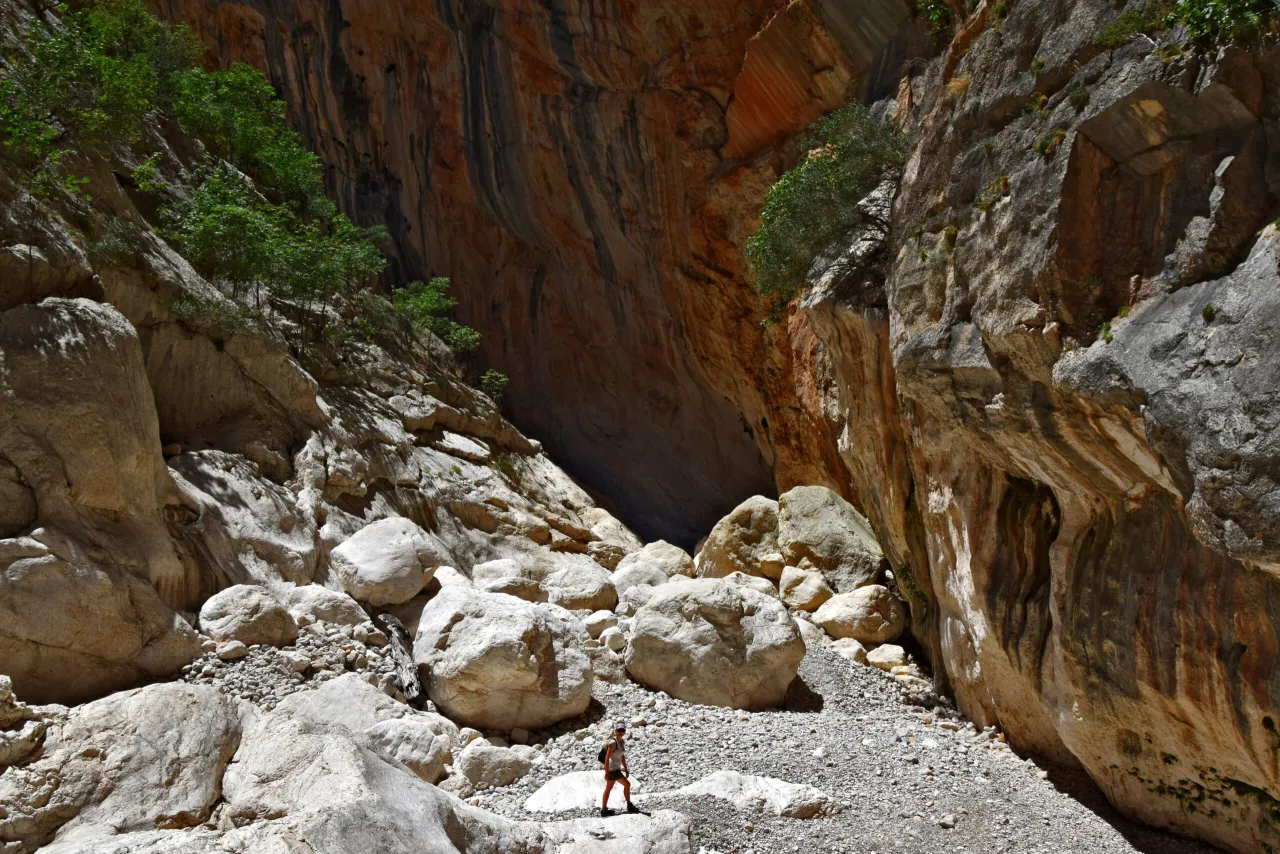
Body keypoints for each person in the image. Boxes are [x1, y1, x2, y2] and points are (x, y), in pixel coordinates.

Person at [600, 722, 639, 816]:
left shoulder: (622, 742)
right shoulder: (612, 743)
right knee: (627, 784)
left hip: (616, 768)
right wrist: (606, 772)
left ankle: (604, 810)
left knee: (608, 788)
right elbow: (606, 758)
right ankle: (629, 805)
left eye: (623, 730)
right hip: (612, 769)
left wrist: (625, 768)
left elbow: (622, 756)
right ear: (615, 731)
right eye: (619, 730)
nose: (621, 732)